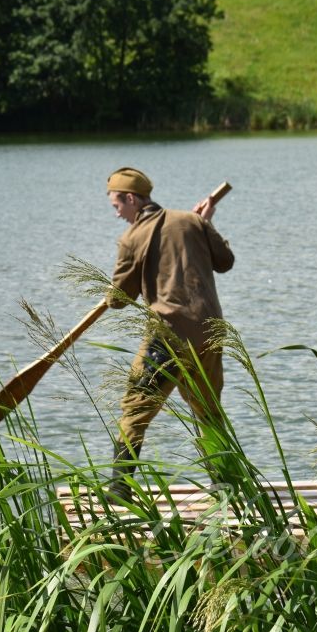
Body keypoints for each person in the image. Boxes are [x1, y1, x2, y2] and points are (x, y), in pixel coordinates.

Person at [104, 167, 235, 501]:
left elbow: (119, 300)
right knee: (208, 411)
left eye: (117, 205)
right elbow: (226, 260)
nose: (116, 212)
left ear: (132, 199)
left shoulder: (133, 238)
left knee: (134, 408)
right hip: (210, 332)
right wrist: (206, 224)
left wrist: (106, 294)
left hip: (168, 336)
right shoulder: (191, 222)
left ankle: (119, 492)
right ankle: (227, 487)